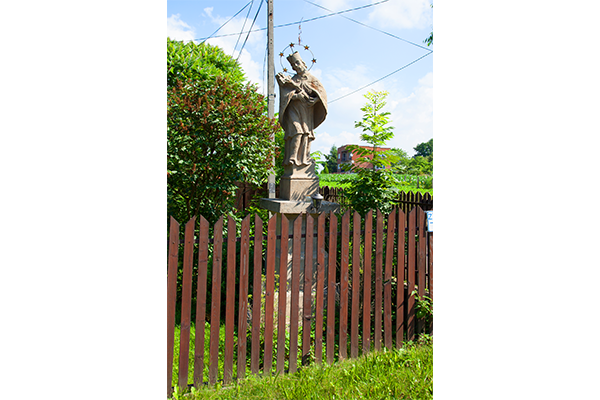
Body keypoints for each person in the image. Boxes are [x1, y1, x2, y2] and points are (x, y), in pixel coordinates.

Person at [276, 51, 327, 168]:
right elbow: (285, 96)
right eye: (293, 65)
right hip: (293, 110)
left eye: (298, 63)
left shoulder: (312, 79)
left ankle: (304, 158)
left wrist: (315, 100)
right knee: (297, 131)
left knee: (305, 134)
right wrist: (296, 96)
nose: (296, 66)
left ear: (303, 63)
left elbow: (322, 93)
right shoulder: (292, 80)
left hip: (306, 111)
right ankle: (292, 158)